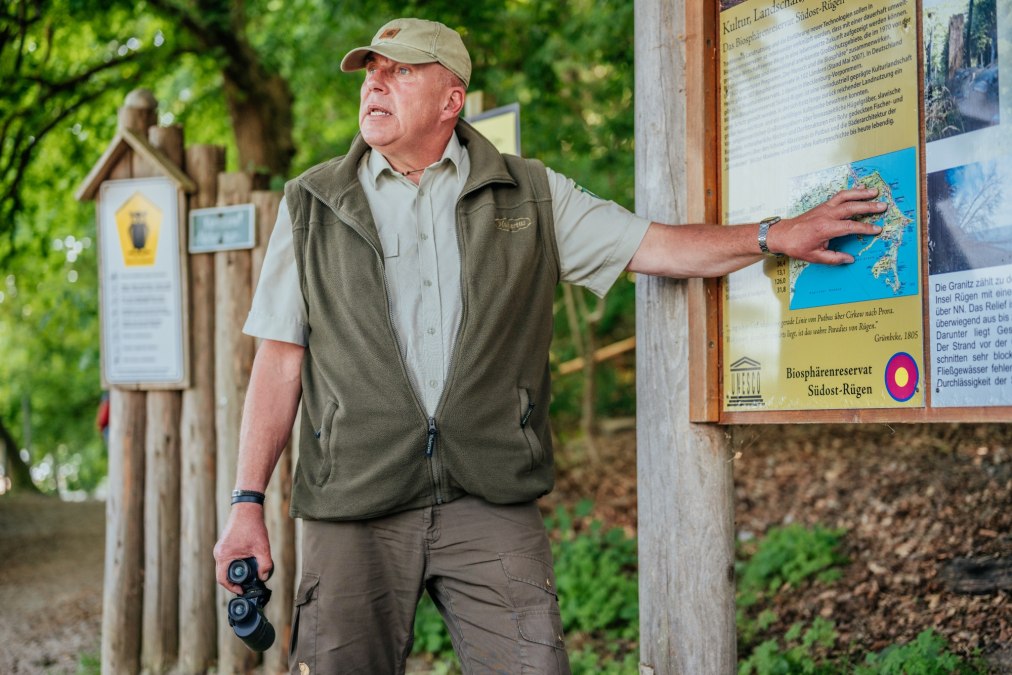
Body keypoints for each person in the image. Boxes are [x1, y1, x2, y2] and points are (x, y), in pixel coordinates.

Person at [213, 17, 885, 673]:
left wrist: (772, 235)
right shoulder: (311, 204)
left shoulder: (529, 193)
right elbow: (281, 359)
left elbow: (658, 246)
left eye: (401, 71)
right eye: (372, 72)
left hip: (490, 495)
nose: (375, 85)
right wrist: (247, 503)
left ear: (451, 100)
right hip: (354, 501)